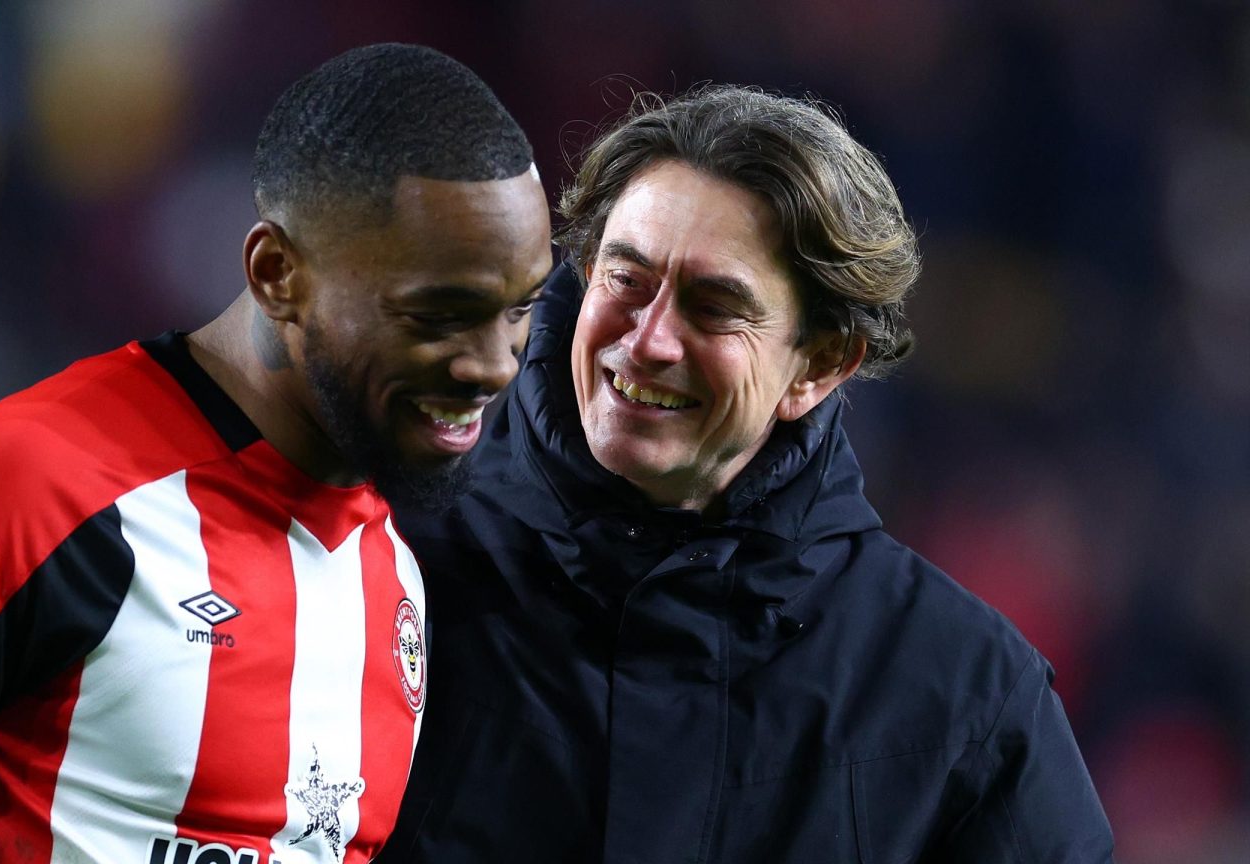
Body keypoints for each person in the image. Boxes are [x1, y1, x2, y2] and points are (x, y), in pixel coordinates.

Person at [0, 43, 552, 864]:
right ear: (277, 274)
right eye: (439, 316)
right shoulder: (28, 490)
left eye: (520, 309)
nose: (494, 364)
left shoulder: (391, 574)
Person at [379, 86, 1115, 862]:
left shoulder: (967, 694)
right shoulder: (384, 559)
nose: (649, 341)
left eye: (713, 307)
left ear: (820, 364)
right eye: (627, 280)